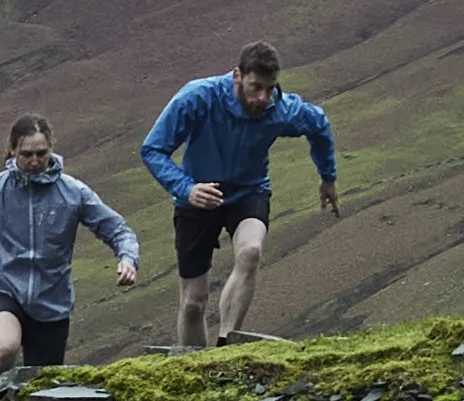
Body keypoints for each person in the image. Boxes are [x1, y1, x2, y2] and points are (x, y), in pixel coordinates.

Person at [141, 41, 339, 349]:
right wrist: (186, 188)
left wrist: (328, 177)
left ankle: (226, 346)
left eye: (269, 89)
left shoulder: (281, 109)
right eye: (255, 87)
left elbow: (319, 125)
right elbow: (153, 149)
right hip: (197, 194)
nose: (262, 98)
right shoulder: (198, 97)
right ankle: (194, 370)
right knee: (193, 302)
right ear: (237, 76)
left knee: (251, 252)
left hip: (249, 191)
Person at [0, 113, 139, 389]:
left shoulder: (74, 193)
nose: (35, 161)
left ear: (51, 149)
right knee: (5, 348)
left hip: (52, 301)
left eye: (41, 153)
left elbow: (117, 229)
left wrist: (127, 258)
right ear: (12, 150)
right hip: (3, 288)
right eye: (27, 154)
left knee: (42, 386)